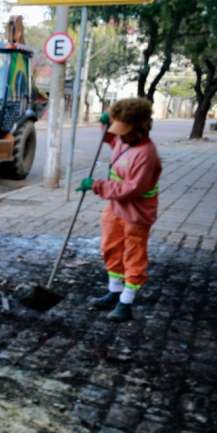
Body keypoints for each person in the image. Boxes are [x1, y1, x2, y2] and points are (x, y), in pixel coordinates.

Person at [77, 98, 162, 322]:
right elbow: (110, 139)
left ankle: (126, 303)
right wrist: (105, 124)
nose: (120, 135)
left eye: (123, 130)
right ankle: (114, 291)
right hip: (115, 208)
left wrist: (96, 185)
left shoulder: (146, 153)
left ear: (139, 127)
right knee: (110, 247)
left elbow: (131, 189)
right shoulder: (124, 141)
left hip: (136, 213)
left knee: (134, 256)